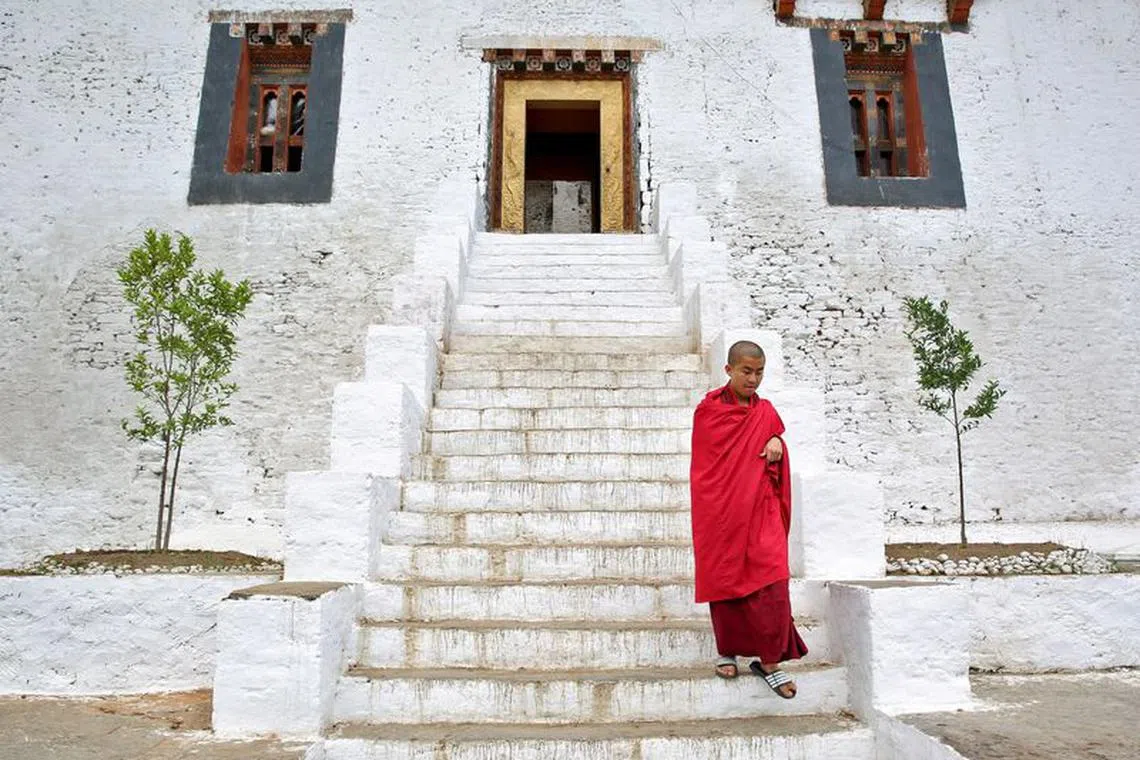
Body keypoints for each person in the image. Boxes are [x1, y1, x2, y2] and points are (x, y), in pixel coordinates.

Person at [689, 339, 807, 699]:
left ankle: (769, 661)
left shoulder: (766, 411)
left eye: (759, 373)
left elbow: (773, 443)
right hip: (723, 510)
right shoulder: (709, 412)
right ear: (728, 370)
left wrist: (777, 440)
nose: (753, 379)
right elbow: (706, 468)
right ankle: (729, 650)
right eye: (746, 371)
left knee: (772, 579)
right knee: (725, 575)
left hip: (761, 508)